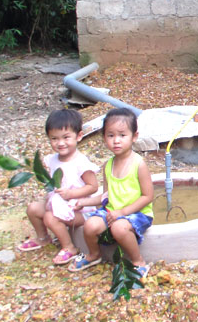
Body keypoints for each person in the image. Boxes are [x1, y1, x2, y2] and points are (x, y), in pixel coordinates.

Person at [69, 108, 154, 278]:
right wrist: (83, 202)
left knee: (119, 228)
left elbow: (147, 196)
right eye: (110, 135)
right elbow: (106, 196)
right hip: (111, 211)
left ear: (134, 136)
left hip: (137, 213)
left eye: (122, 135)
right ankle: (94, 255)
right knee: (91, 225)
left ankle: (138, 262)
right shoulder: (108, 165)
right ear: (104, 138)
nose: (116, 141)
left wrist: (122, 213)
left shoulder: (138, 164)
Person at [16, 109, 99, 266]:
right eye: (54, 139)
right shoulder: (52, 159)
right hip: (58, 203)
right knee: (33, 208)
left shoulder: (80, 162)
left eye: (66, 137)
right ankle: (43, 238)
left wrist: (71, 193)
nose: (60, 143)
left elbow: (93, 187)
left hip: (79, 209)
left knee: (50, 217)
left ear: (79, 136)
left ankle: (69, 247)